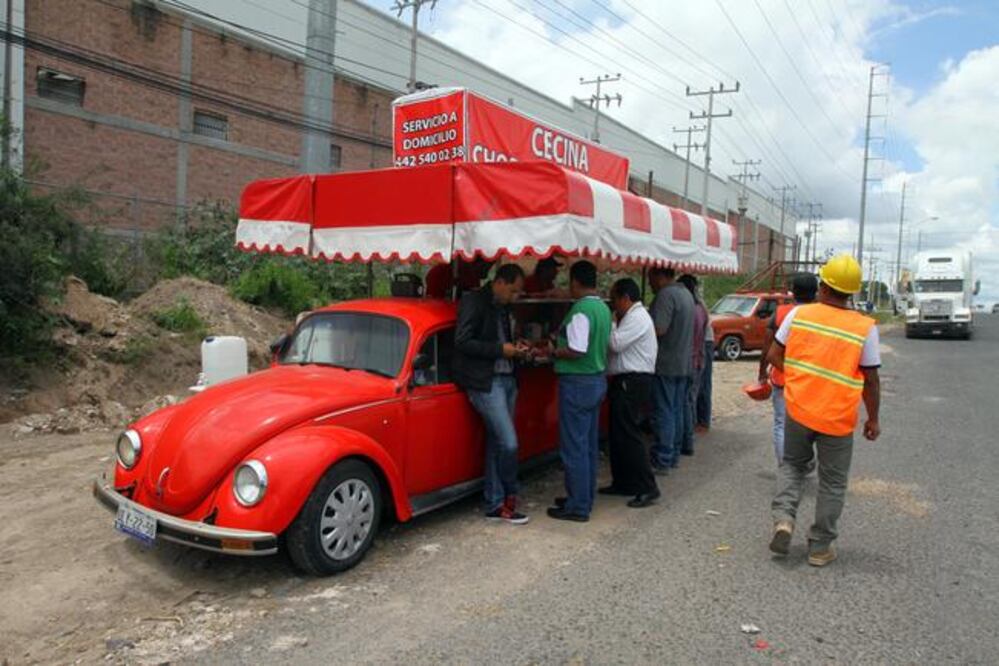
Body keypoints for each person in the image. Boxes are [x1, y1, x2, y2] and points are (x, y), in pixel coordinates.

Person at [766, 255, 882, 567]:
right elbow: (870, 380)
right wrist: (873, 419)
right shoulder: (864, 328)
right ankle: (819, 547)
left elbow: (774, 354)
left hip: (800, 407)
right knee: (832, 482)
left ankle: (783, 520)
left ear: (824, 285)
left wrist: (799, 380)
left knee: (792, 465)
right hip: (837, 418)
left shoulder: (799, 315)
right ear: (852, 292)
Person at [454, 263, 531, 524]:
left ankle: (494, 503)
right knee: (508, 442)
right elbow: (462, 341)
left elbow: (504, 338)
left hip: (508, 377)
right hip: (486, 382)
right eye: (512, 290)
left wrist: (516, 347)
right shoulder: (474, 301)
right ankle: (510, 494)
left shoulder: (504, 305)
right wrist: (501, 350)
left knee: (497, 442)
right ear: (498, 282)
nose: (514, 296)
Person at [546, 260, 612, 522]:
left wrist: (553, 351)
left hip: (578, 382)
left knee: (574, 447)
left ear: (575, 282)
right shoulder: (603, 308)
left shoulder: (581, 310)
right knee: (586, 446)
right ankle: (583, 496)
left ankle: (577, 506)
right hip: (595, 379)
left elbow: (576, 349)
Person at [604, 278, 660, 508]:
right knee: (617, 434)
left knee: (630, 434)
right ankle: (623, 482)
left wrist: (611, 321)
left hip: (634, 380)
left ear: (625, 298)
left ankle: (648, 486)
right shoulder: (632, 316)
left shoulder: (637, 317)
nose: (613, 305)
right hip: (625, 380)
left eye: (614, 300)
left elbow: (615, 344)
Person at [758, 273, 818, 467]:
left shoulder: (781, 313)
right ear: (816, 293)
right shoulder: (823, 316)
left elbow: (767, 347)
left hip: (782, 377)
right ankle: (804, 461)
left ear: (793, 292)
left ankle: (786, 466)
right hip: (812, 381)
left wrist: (761, 373)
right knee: (808, 424)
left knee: (781, 424)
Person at [647, 266, 695, 474]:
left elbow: (659, 328)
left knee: (664, 411)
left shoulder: (666, 295)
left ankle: (663, 458)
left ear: (660, 276)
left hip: (666, 363)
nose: (649, 284)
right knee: (675, 409)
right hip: (683, 363)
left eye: (651, 278)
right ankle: (673, 454)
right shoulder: (686, 294)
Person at [677, 274, 708, 457]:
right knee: (689, 401)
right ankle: (688, 440)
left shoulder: (691, 310)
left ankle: (686, 441)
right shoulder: (700, 309)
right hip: (697, 360)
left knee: (685, 402)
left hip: (689, 360)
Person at [425, 258, 492, 299]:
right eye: (486, 266)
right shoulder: (437, 273)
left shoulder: (473, 276)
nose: (488, 268)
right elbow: (430, 300)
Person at [696, 305, 714, 432]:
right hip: (704, 340)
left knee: (703, 383)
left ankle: (703, 421)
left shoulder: (698, 304)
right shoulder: (696, 302)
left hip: (705, 341)